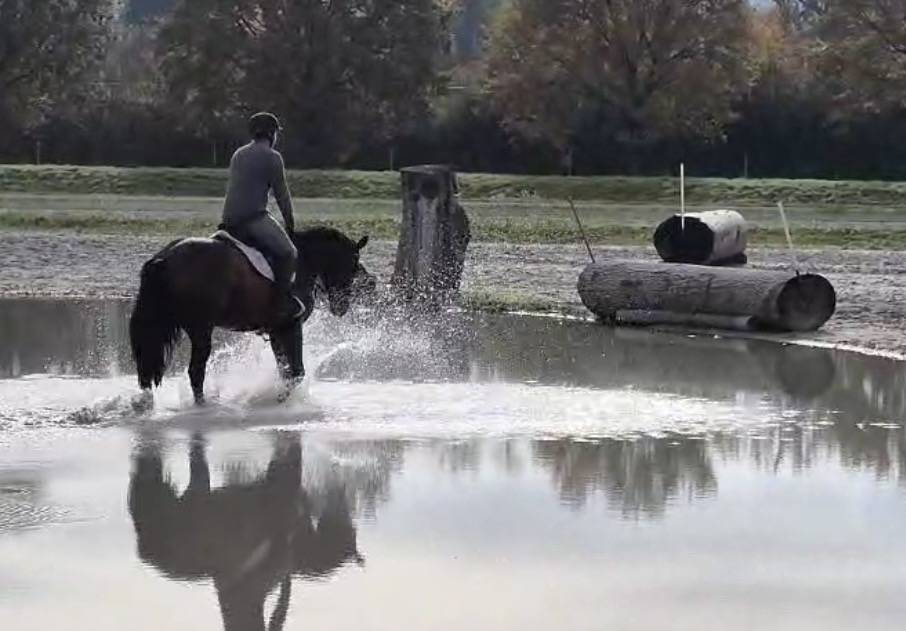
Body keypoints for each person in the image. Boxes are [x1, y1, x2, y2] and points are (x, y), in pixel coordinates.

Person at [221, 112, 302, 322]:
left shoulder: (238, 154)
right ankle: (280, 303)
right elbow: (282, 195)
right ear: (272, 134)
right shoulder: (273, 157)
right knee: (288, 253)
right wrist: (290, 224)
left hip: (228, 220)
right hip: (252, 218)